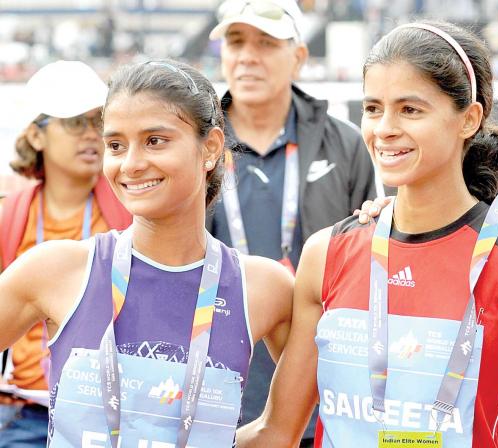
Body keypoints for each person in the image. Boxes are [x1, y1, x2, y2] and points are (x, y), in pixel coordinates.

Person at [236, 20, 498, 447]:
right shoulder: (328, 253)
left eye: (410, 109)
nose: (385, 128)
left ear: (469, 119)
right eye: (373, 108)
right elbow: (276, 431)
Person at [0, 59, 294, 447]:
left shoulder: (263, 287)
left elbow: (283, 430)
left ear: (211, 147)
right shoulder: (55, 269)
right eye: (116, 145)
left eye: (155, 140)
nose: (132, 164)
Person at [206, 1, 380, 440]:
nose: (247, 55)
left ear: (298, 56)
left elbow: (368, 258)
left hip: (322, 380)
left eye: (266, 42)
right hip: (215, 381)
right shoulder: (195, 145)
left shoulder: (343, 143)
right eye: (236, 41)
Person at [0, 60, 131, 447]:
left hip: (107, 416)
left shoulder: (133, 211)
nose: (92, 135)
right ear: (35, 136)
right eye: (75, 122)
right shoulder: (9, 216)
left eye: (98, 121)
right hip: (21, 413)